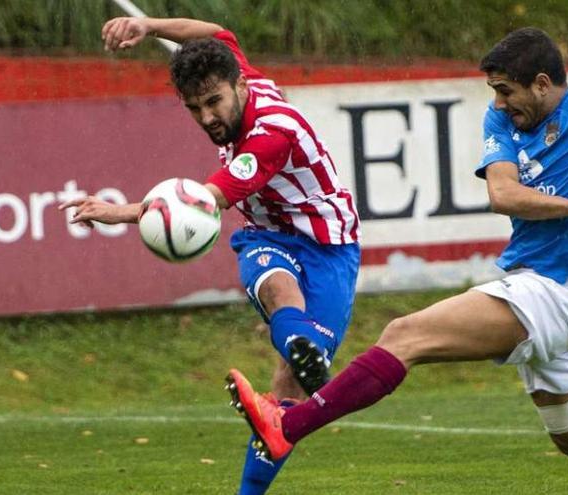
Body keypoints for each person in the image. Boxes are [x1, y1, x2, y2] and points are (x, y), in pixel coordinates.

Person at [227, 1, 568, 494]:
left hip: (550, 294)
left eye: (507, 91)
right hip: (549, 295)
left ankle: (288, 427)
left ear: (543, 84)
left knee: (404, 334)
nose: (499, 103)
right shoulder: (502, 121)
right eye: (494, 92)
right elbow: (503, 194)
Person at [58, 16, 360, 494]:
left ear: (240, 86)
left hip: (330, 247)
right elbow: (216, 33)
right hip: (267, 236)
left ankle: (300, 355)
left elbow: (200, 205)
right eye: (194, 108)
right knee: (276, 285)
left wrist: (121, 212)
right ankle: (301, 344)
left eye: (214, 103)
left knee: (281, 409)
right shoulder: (235, 70)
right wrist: (148, 25)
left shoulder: (272, 133)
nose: (207, 118)